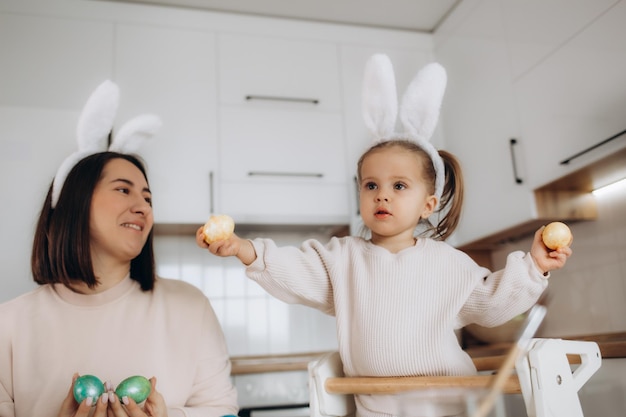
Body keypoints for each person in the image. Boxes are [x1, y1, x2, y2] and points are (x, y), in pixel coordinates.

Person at [194, 55, 572, 417]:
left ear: (428, 204)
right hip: (373, 410)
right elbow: (293, 268)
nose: (382, 195)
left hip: (448, 407)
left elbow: (491, 304)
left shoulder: (447, 262)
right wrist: (244, 249)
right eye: (371, 184)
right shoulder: (342, 259)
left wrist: (534, 266)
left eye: (399, 185)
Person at [0, 81, 238, 417]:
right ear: (75, 202)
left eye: (147, 197)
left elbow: (222, 411)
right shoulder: (8, 326)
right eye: (123, 190)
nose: (143, 206)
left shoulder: (190, 306)